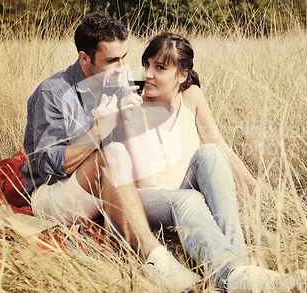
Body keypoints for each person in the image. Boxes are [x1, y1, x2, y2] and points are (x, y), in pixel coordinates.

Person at [21, 14, 200, 291]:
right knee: (113, 153)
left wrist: (131, 118)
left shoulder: (119, 84)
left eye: (124, 57)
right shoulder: (53, 93)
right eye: (112, 61)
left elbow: (142, 178)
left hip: (102, 191)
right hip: (50, 195)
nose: (122, 68)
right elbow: (46, 164)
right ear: (84, 59)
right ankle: (156, 260)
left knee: (125, 157)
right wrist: (98, 133)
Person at [135, 32, 307, 292]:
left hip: (184, 191)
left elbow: (220, 147)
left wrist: (256, 188)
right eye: (146, 64)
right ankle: (237, 276)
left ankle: (236, 273)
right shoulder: (133, 104)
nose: (148, 73)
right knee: (189, 199)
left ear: (182, 75)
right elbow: (140, 182)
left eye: (160, 67)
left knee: (210, 153)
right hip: (147, 198)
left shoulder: (191, 96)